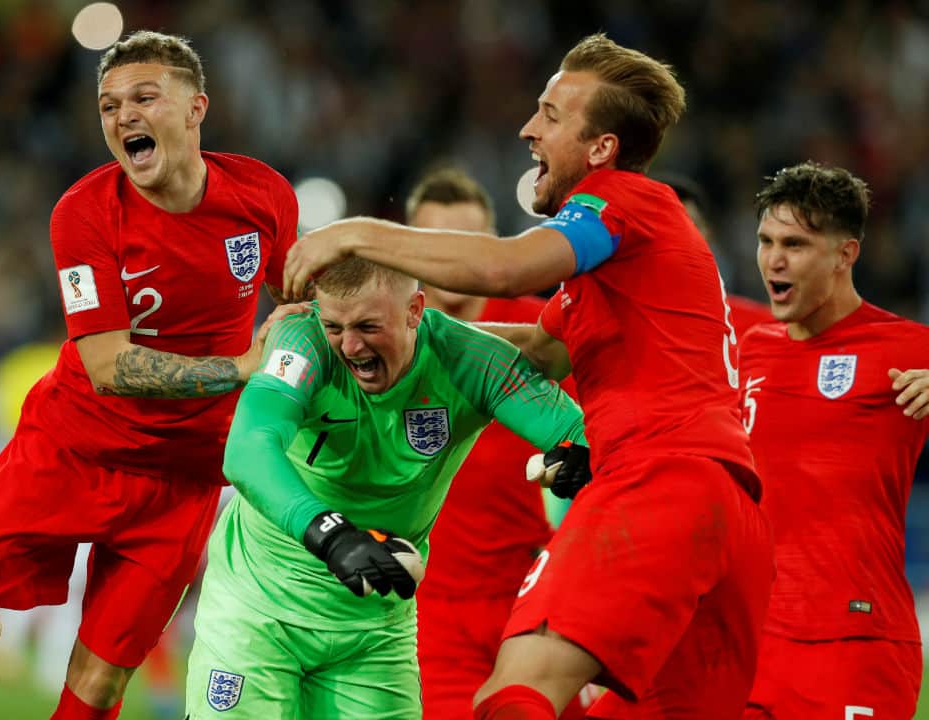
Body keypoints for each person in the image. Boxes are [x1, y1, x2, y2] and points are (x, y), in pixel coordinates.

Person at [284, 33, 773, 719]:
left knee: (519, 689)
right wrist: (377, 335)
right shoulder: (613, 274)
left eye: (549, 113)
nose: (527, 128)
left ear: (600, 148)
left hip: (659, 478)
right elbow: (537, 351)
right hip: (729, 509)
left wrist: (353, 235)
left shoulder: (623, 200)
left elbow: (504, 269)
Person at [0, 31, 302, 720]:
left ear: (196, 108)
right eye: (108, 106)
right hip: (70, 449)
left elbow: (301, 312)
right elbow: (109, 366)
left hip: (184, 476)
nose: (123, 117)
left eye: (145, 97)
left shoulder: (262, 197)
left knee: (99, 686)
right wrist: (239, 369)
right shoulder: (84, 213)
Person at [184, 256, 587, 719]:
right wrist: (331, 535)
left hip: (376, 627)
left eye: (368, 327)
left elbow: (577, 431)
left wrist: (580, 455)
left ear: (415, 311)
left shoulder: (466, 359)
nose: (350, 346)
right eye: (335, 325)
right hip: (258, 610)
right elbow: (248, 450)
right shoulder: (302, 341)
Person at [401, 167, 593, 720]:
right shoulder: (385, 344)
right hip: (427, 612)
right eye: (438, 244)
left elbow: (597, 442)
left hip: (533, 602)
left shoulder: (542, 338)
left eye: (470, 244)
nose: (455, 259)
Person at [739, 162, 929, 719]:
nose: (774, 259)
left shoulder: (906, 348)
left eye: (795, 244)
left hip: (855, 640)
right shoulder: (752, 347)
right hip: (751, 638)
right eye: (766, 241)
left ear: (845, 254)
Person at [655, 172, 774, 336]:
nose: (679, 240)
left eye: (691, 226)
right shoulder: (616, 330)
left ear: (709, 236)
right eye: (665, 228)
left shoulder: (762, 328)